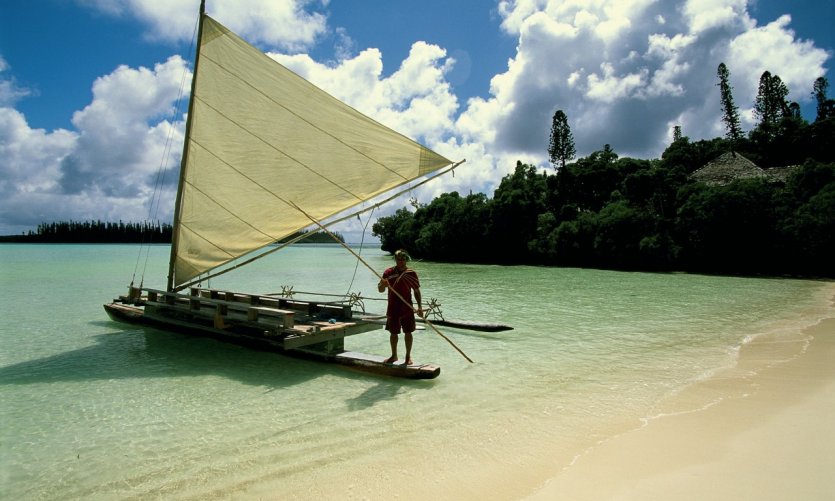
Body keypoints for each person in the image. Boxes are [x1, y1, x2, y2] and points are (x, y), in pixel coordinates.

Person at [377, 249, 423, 365]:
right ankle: (394, 355)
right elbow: (380, 290)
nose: (400, 262)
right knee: (393, 333)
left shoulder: (411, 273)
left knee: (408, 332)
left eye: (403, 259)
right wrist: (383, 284)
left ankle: (408, 357)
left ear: (406, 260)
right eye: (398, 259)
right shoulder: (388, 272)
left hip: (407, 307)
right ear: (395, 260)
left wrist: (420, 307)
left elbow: (417, 291)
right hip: (393, 306)